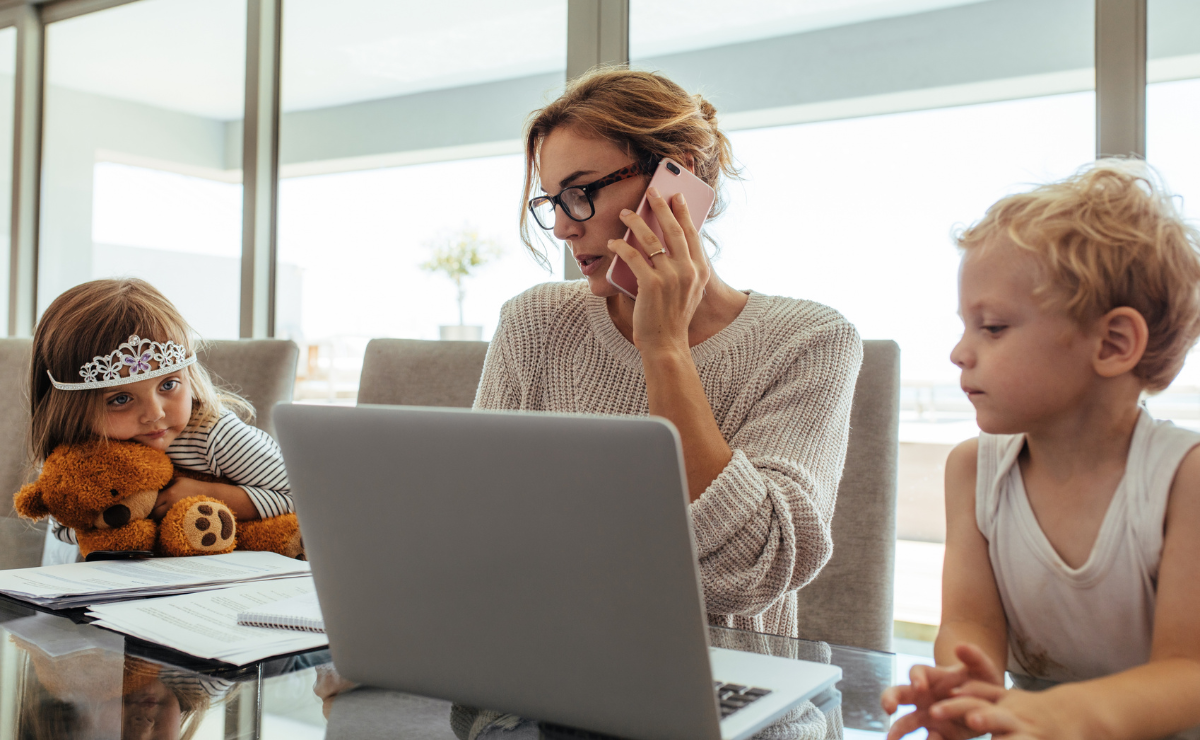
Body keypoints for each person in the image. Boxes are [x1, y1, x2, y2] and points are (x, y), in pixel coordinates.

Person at [477, 65, 863, 638]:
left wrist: (664, 349)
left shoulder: (809, 341)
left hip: (721, 686)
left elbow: (746, 573)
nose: (561, 227)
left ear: (676, 176)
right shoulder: (535, 322)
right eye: (552, 201)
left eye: (580, 194)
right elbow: (482, 528)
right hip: (547, 661)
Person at [882, 160, 1200, 740]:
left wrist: (1055, 715)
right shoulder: (973, 469)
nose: (959, 352)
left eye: (994, 327)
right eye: (965, 326)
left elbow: (1189, 673)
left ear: (1113, 342)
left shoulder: (1184, 479)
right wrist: (965, 686)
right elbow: (969, 621)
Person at [28, 278, 292, 553]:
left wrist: (208, 495)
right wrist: (118, 522)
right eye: (120, 399)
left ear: (189, 376)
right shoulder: (80, 454)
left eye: (168, 385)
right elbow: (63, 526)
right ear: (70, 409)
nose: (155, 414)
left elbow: (302, 496)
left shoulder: (215, 435)